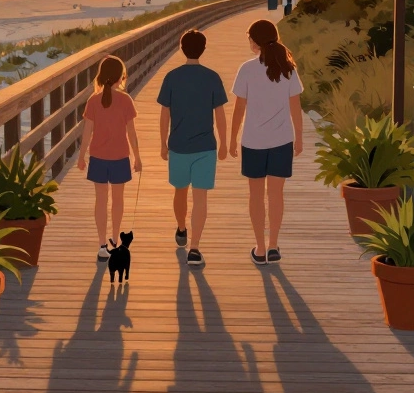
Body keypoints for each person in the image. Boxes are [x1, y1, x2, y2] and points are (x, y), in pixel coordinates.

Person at [229, 19, 303, 266]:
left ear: (256, 42)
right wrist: (300, 137)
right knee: (276, 195)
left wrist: (231, 138)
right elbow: (296, 106)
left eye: (250, 38)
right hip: (282, 140)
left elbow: (239, 108)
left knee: (256, 196)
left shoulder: (247, 69)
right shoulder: (288, 68)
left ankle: (260, 247)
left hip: (253, 141)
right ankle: (274, 245)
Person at [156, 29, 227, 267]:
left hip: (178, 145)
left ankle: (181, 228)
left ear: (181, 48)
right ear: (203, 49)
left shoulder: (172, 77)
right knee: (200, 197)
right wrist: (225, 142)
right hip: (206, 145)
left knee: (180, 191)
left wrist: (162, 142)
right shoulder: (212, 77)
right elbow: (220, 113)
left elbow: (164, 112)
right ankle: (195, 248)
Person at [76, 55, 142, 261]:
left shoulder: (93, 101)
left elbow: (87, 132)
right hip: (120, 157)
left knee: (101, 201)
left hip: (98, 158)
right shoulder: (125, 100)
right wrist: (137, 157)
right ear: (121, 76)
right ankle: (115, 238)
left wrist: (81, 156)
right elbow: (131, 132)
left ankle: (102, 243)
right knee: (118, 200)